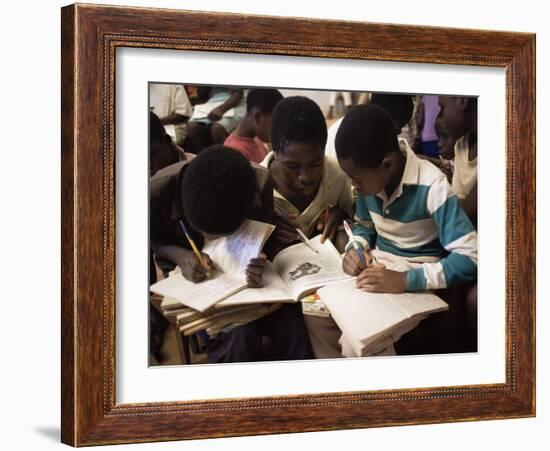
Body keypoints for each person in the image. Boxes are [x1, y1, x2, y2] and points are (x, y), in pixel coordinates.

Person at [335, 104, 478, 353]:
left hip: (416, 276)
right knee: (331, 320)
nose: (354, 187)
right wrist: (356, 247)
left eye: (357, 180)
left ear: (387, 165)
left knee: (362, 342)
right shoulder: (370, 182)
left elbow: (471, 257)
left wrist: (406, 280)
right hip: (378, 268)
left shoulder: (433, 186)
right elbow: (364, 227)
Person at [149, 146, 313, 363]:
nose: (216, 242)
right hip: (196, 283)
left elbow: (265, 238)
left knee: (294, 325)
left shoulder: (259, 182)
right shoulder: (157, 192)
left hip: (246, 282)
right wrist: (179, 255)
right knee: (237, 340)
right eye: (208, 234)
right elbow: (146, 237)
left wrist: (260, 261)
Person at [261, 96, 354, 358]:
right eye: (292, 167)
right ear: (273, 150)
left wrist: (342, 215)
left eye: (315, 164)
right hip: (279, 295)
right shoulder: (257, 186)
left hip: (326, 285)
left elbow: (353, 222)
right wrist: (266, 232)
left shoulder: (336, 175)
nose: (306, 177)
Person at [438, 95, 478, 227]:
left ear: (462, 100)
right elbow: (457, 202)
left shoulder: (504, 145)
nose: (442, 118)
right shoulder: (461, 145)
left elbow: (466, 214)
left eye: (442, 107)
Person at [224, 88, 283, 163]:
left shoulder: (257, 139)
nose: (276, 131)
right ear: (257, 116)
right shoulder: (234, 152)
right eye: (274, 124)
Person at [186, 87, 247, 153]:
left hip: (235, 101)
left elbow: (238, 94)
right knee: (192, 127)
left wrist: (221, 109)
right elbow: (202, 95)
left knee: (217, 128)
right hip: (213, 101)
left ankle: (223, 158)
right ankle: (203, 158)